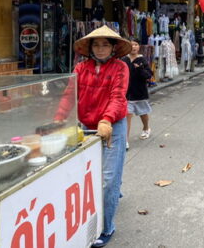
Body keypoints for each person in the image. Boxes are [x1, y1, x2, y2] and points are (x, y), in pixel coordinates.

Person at [54, 25, 131, 247]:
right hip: (85, 126)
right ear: (89, 47)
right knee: (89, 174)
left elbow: (118, 96)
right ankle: (115, 189)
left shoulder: (120, 68)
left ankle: (106, 228)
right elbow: (69, 96)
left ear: (113, 47)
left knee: (107, 180)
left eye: (105, 44)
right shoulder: (80, 68)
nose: (100, 48)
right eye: (96, 44)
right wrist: (59, 119)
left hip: (112, 126)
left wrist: (106, 119)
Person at [123, 37, 153, 147]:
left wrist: (140, 69)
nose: (134, 47)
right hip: (127, 94)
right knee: (127, 114)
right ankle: (125, 140)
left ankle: (146, 128)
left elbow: (149, 75)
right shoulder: (124, 60)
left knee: (143, 113)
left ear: (139, 46)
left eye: (136, 44)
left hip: (140, 93)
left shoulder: (142, 60)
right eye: (131, 45)